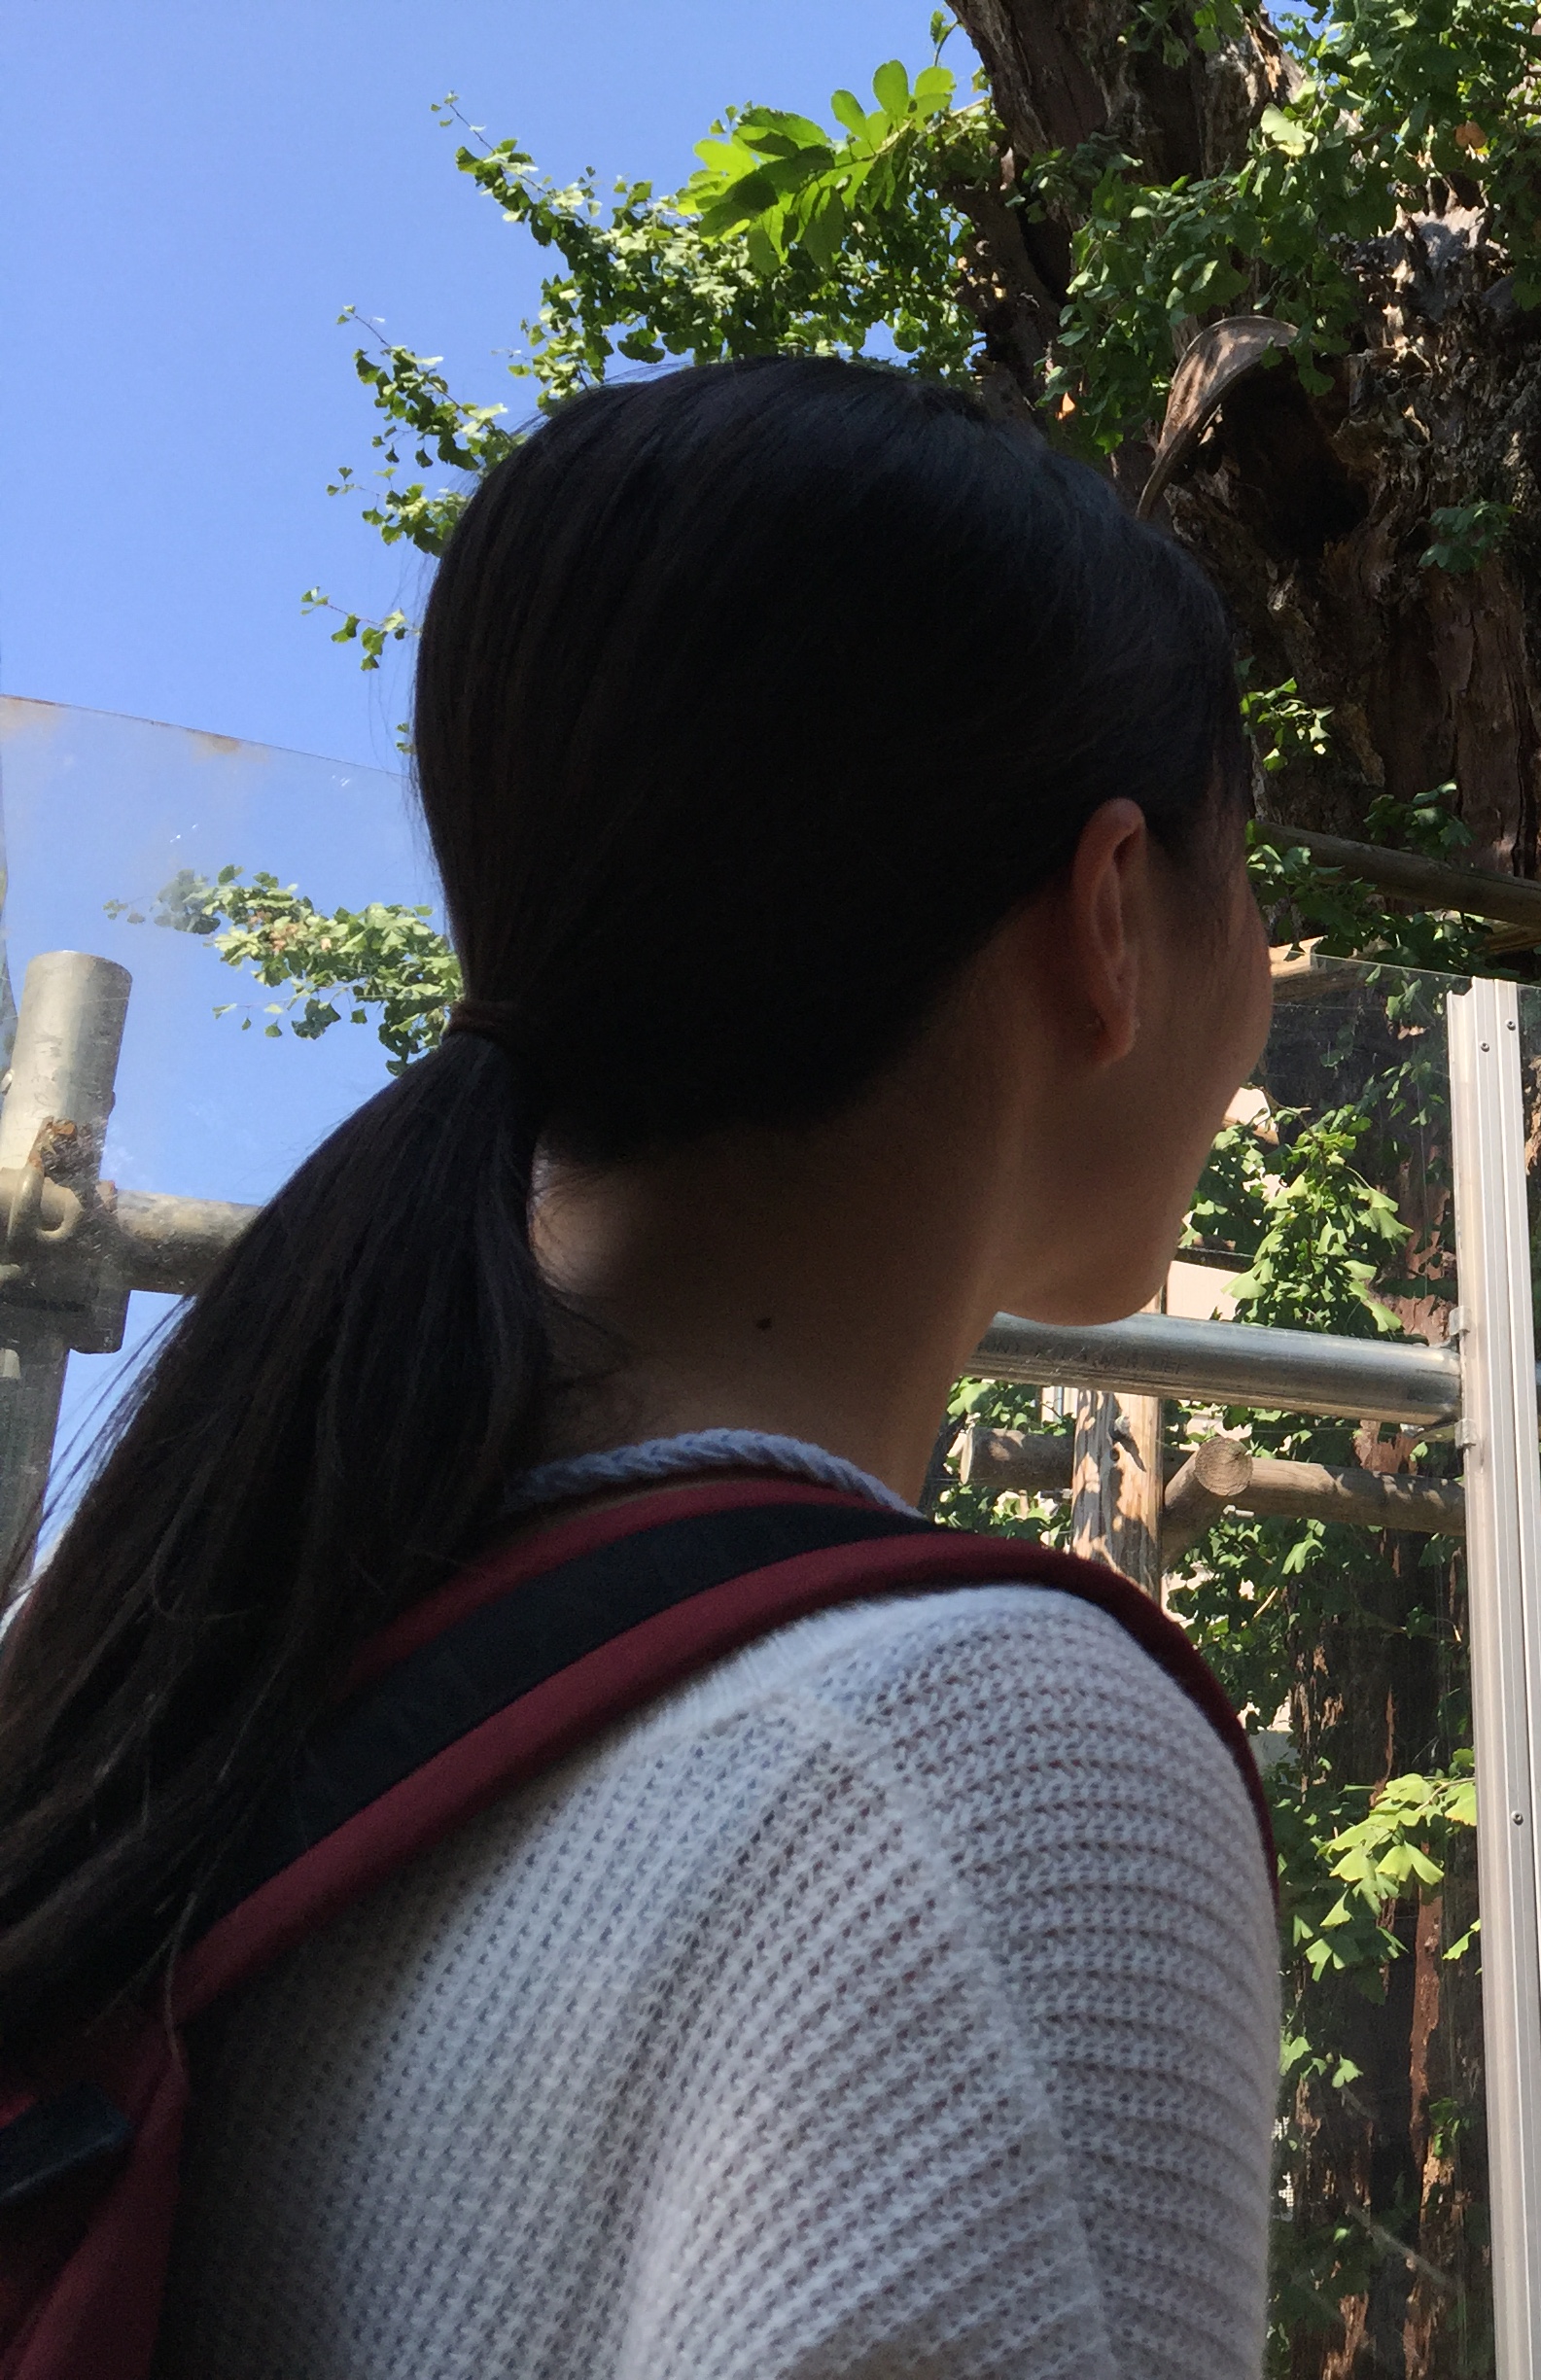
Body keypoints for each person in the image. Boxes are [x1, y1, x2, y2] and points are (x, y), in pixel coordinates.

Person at [0, 357, 1280, 2376]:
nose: (1270, 976)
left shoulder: (174, 1694)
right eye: (1253, 873)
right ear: (1112, 912)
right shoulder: (989, 1767)